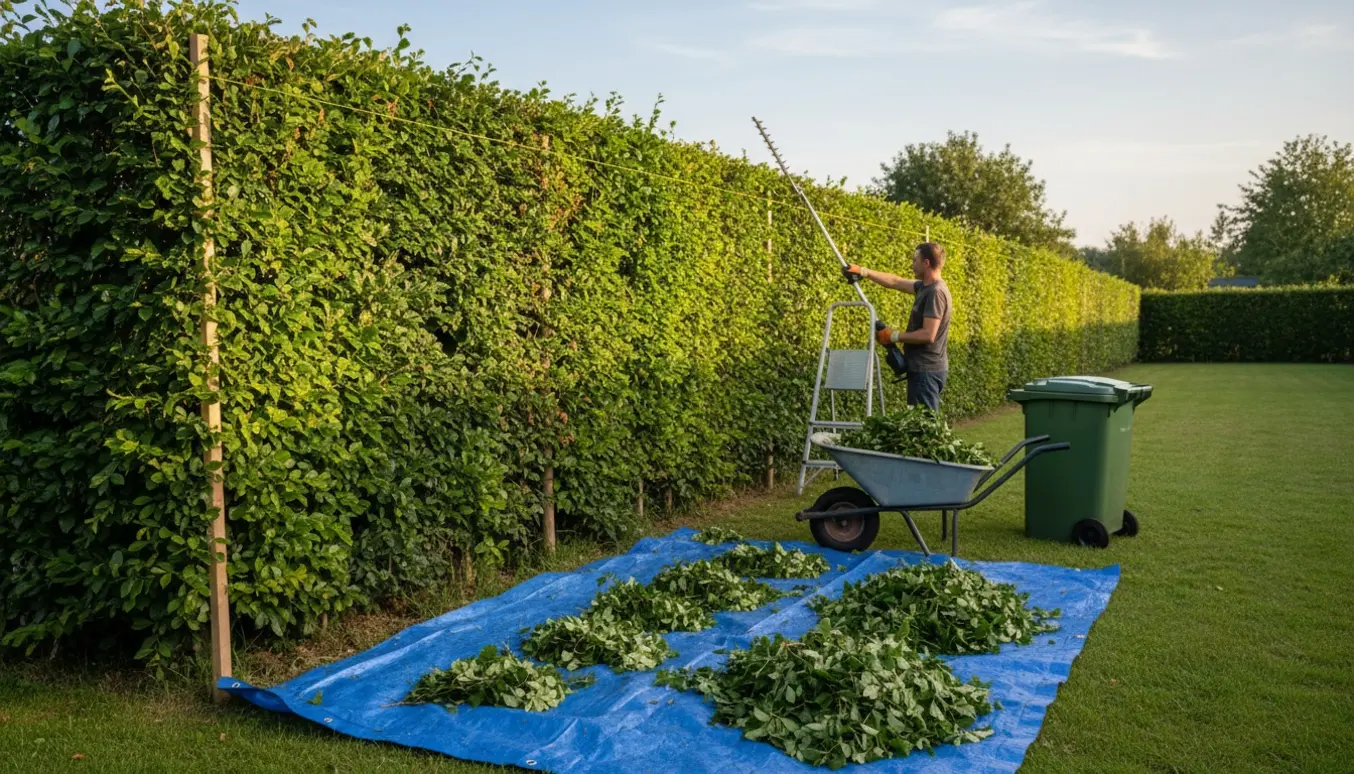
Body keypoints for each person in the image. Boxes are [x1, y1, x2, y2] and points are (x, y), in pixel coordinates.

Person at [844, 242, 952, 412]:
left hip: (926, 371)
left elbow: (928, 334)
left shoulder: (935, 292)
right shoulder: (924, 287)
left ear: (926, 263)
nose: (912, 264)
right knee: (918, 422)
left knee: (924, 424)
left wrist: (893, 336)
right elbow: (896, 282)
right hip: (922, 370)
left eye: (915, 260)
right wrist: (864, 271)